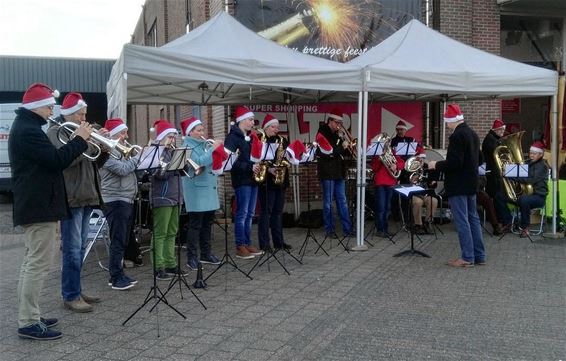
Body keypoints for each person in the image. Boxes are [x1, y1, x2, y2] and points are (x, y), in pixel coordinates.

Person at [10, 83, 92, 340]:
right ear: (36, 107)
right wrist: (79, 139)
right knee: (37, 265)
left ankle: (31, 315)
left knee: (32, 263)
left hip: (37, 205)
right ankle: (28, 322)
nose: (50, 112)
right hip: (38, 206)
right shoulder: (29, 131)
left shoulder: (27, 128)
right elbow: (56, 161)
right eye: (47, 107)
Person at [45, 92, 103, 313]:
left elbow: (92, 163)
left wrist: (102, 148)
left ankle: (77, 290)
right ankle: (70, 295)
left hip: (86, 195)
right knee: (71, 250)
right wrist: (84, 141)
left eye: (84, 113)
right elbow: (64, 161)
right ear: (68, 114)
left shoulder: (78, 133)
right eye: (80, 113)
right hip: (71, 197)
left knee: (80, 248)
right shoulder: (55, 132)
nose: (83, 117)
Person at [428, 104, 485, 267]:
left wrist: (435, 165)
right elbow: (480, 159)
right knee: (473, 219)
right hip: (472, 183)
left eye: (447, 121)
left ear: (453, 120)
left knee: (462, 220)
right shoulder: (473, 134)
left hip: (458, 185)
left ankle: (467, 257)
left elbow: (455, 162)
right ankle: (479, 255)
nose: (447, 125)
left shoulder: (456, 136)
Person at [98, 118, 140, 290]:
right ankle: (116, 277)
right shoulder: (104, 153)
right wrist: (139, 158)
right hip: (115, 199)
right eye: (123, 132)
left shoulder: (123, 152)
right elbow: (123, 170)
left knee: (122, 239)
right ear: (113, 134)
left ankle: (118, 274)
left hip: (126, 198)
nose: (126, 136)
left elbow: (131, 169)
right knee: (117, 240)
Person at [180, 117, 222, 270]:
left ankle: (206, 253)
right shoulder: (187, 146)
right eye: (198, 130)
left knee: (207, 224)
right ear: (190, 132)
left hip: (209, 188)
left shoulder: (204, 144)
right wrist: (213, 149)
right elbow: (199, 162)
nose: (202, 133)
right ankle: (192, 257)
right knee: (195, 225)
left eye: (202, 130)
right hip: (196, 190)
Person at [224, 106, 264, 259]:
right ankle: (240, 245)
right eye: (250, 119)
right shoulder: (232, 138)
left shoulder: (250, 137)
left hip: (252, 179)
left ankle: (247, 242)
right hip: (241, 180)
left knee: (250, 213)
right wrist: (250, 166)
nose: (253, 122)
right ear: (241, 120)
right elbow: (230, 163)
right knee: (242, 213)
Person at [150, 120, 185, 279]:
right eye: (169, 137)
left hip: (175, 197)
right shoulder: (156, 152)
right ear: (162, 137)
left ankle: (171, 264)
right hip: (162, 197)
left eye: (173, 137)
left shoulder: (173, 152)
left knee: (172, 232)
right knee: (160, 233)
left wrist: (183, 163)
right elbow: (159, 174)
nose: (172, 140)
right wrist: (174, 164)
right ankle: (159, 266)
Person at [256, 114, 293, 252]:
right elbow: (257, 158)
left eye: (277, 127)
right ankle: (264, 243)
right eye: (273, 127)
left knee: (277, 212)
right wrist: (269, 168)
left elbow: (289, 157)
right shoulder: (260, 139)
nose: (276, 129)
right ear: (265, 127)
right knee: (266, 212)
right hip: (266, 181)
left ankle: (279, 242)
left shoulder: (282, 140)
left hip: (280, 180)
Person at [316, 108, 354, 237]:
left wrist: (348, 146)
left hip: (339, 171)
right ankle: (329, 230)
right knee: (328, 202)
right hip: (327, 172)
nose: (339, 125)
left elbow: (343, 152)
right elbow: (331, 151)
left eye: (340, 123)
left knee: (342, 201)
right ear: (330, 121)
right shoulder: (322, 132)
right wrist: (341, 144)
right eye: (337, 122)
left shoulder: (338, 134)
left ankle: (347, 229)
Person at [508, 141, 549, 238]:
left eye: (534, 154)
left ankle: (525, 228)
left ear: (540, 154)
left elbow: (531, 180)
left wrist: (515, 177)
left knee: (524, 200)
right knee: (500, 196)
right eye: (530, 153)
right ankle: (508, 222)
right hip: (526, 195)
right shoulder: (528, 163)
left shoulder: (542, 166)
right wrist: (511, 170)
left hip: (538, 197)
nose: (531, 155)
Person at [481, 119, 509, 233]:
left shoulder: (494, 139)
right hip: (492, 175)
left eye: (503, 129)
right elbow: (497, 154)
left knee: (498, 197)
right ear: (496, 130)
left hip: (494, 173)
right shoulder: (491, 140)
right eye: (501, 129)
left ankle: (502, 220)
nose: (503, 131)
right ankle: (504, 221)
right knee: (498, 197)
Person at [371, 141, 404, 238]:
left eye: (388, 143)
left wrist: (396, 166)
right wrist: (379, 160)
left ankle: (385, 229)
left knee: (388, 207)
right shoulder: (377, 154)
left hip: (391, 182)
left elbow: (402, 163)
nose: (387, 145)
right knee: (381, 208)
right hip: (380, 183)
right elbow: (374, 168)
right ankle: (380, 229)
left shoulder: (392, 152)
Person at [409, 147, 438, 235]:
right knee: (418, 202)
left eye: (422, 159)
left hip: (425, 193)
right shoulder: (410, 168)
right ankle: (418, 225)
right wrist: (412, 179)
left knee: (434, 201)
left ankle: (428, 222)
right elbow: (405, 182)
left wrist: (433, 182)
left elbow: (433, 186)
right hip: (414, 194)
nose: (420, 161)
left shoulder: (428, 168)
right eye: (419, 159)